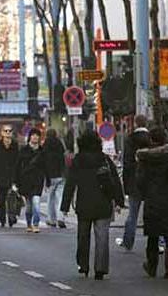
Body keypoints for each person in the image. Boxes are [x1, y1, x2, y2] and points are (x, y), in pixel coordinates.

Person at [61, 130, 124, 280]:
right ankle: (100, 269)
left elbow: (70, 183)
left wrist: (65, 205)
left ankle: (83, 265)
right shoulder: (104, 159)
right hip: (103, 203)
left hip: (84, 203)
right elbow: (115, 181)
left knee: (83, 236)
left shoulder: (78, 161)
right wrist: (119, 201)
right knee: (102, 237)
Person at [136, 127, 168, 278]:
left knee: (153, 236)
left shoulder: (145, 158)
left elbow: (140, 181)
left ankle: (152, 266)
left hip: (152, 200)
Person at [116, 115, 150, 250]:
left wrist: (126, 186)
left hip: (134, 181)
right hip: (152, 181)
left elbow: (127, 164)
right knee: (155, 213)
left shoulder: (130, 140)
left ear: (135, 124)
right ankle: (159, 242)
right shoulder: (152, 138)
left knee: (133, 214)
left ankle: (128, 242)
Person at [14, 128, 47, 233]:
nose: (35, 137)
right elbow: (17, 166)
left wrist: (48, 180)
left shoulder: (42, 151)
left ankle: (36, 224)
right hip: (26, 181)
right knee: (29, 206)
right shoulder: (24, 150)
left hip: (38, 181)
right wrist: (16, 181)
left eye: (37, 135)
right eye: (33, 135)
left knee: (36, 203)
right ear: (30, 137)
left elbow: (46, 167)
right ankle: (29, 223)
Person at [0, 124, 19, 228]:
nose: (7, 133)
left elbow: (18, 161)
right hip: (0, 176)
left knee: (12, 198)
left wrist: (18, 176)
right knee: (1, 199)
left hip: (12, 176)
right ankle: (2, 220)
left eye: (9, 131)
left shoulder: (15, 145)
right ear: (2, 133)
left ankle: (12, 217)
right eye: (5, 131)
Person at [42, 128, 66, 228]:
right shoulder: (59, 144)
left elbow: (43, 162)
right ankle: (60, 217)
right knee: (60, 197)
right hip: (60, 174)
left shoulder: (45, 146)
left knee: (50, 198)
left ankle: (51, 219)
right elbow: (63, 158)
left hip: (50, 176)